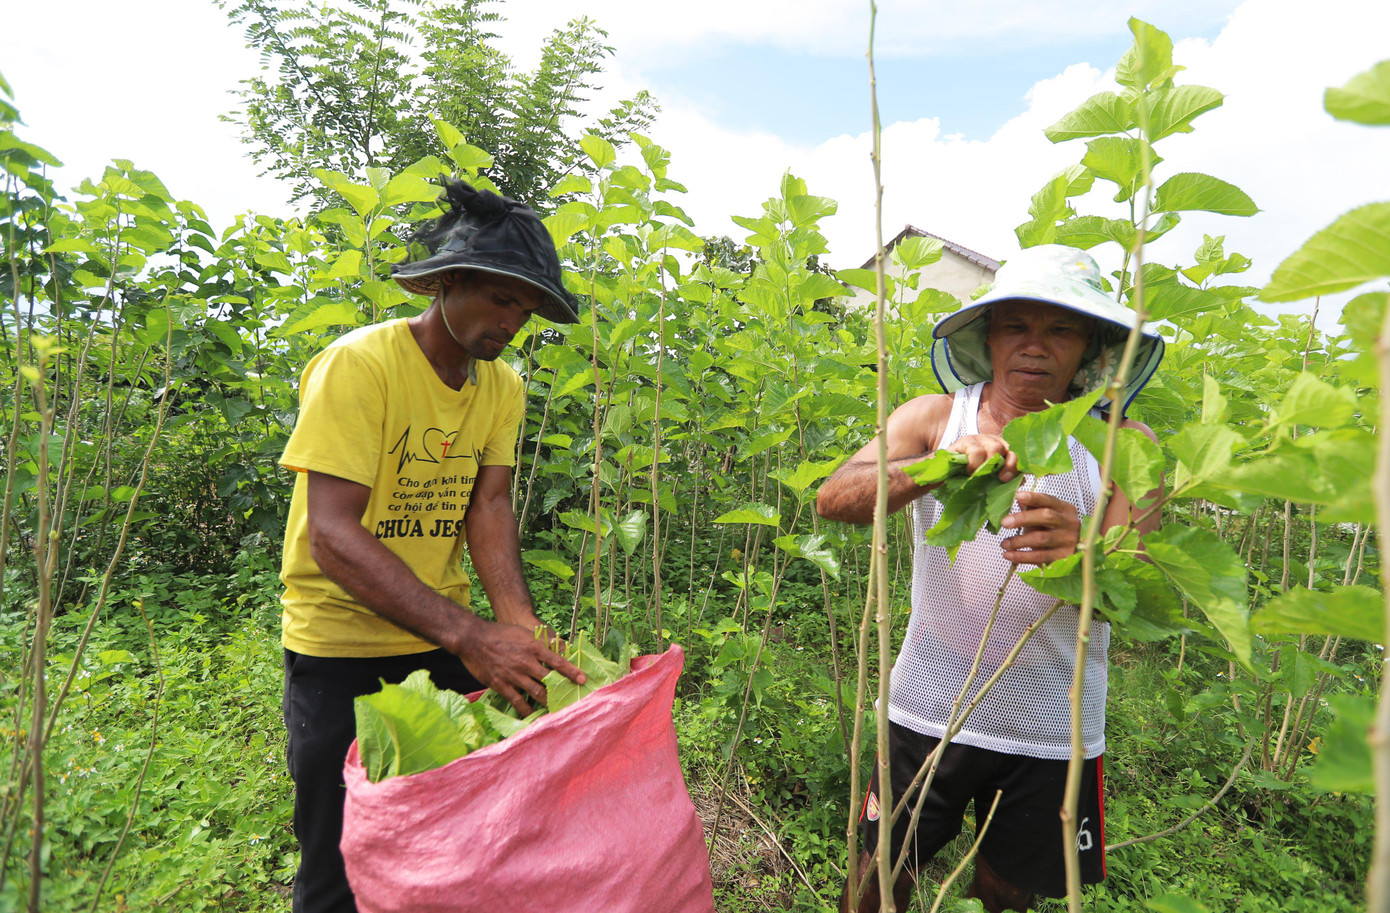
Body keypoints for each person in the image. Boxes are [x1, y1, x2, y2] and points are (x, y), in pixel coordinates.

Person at [816, 245, 1166, 913]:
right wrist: (933, 468)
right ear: (989, 334)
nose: (1035, 347)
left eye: (1060, 328)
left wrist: (1087, 551)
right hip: (927, 705)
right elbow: (835, 497)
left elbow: (1141, 593)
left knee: (1008, 893)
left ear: (1090, 343)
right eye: (1017, 326)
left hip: (1051, 723)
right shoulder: (933, 419)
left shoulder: (1126, 443)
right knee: (877, 877)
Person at [278, 178, 586, 913]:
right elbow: (331, 532)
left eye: (528, 308)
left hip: (438, 643)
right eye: (501, 298)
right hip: (340, 651)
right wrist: (470, 634)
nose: (513, 321)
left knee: (440, 840)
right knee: (339, 860)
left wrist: (516, 622)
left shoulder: (501, 387)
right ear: (447, 281)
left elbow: (489, 502)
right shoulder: (361, 365)